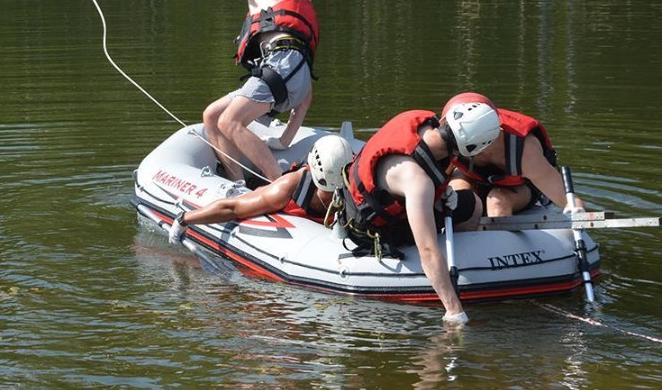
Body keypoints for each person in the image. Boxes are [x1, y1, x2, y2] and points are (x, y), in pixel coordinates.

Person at [170, 0, 319, 187]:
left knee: (229, 122)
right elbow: (304, 99)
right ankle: (236, 183)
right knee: (212, 116)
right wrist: (283, 141)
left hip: (279, 68)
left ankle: (281, 187)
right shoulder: (300, 38)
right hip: (294, 80)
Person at [343, 99, 501, 324]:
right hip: (372, 231)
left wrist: (441, 192)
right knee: (473, 205)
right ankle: (462, 269)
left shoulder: (416, 118)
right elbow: (426, 250)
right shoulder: (418, 182)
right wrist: (454, 310)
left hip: (360, 200)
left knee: (460, 200)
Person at [168, 135, 354, 243]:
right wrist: (184, 220)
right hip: (270, 195)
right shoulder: (287, 189)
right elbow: (233, 208)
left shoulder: (356, 187)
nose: (333, 195)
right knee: (258, 195)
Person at [442, 92, 586, 216]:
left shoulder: (525, 152)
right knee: (459, 196)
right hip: (469, 176)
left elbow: (566, 199)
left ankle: (500, 243)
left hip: (521, 186)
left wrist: (576, 212)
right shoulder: (446, 139)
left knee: (497, 201)